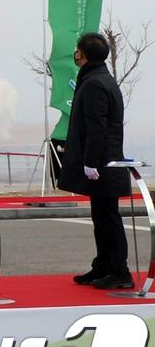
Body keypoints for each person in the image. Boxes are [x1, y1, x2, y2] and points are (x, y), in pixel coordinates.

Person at [58, 32, 133, 290]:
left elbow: (96, 127)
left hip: (103, 164)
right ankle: (103, 265)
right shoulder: (99, 79)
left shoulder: (94, 84)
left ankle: (120, 272)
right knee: (100, 218)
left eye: (78, 49)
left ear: (83, 54)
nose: (75, 53)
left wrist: (90, 161)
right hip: (104, 162)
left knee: (108, 219)